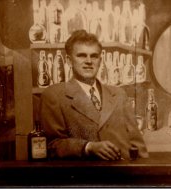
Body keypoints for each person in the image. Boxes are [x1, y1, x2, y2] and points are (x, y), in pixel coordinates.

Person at [40, 30, 148, 160]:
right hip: (86, 176)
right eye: (81, 55)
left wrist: (144, 173)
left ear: (100, 60)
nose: (89, 61)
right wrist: (88, 147)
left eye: (94, 56)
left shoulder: (119, 94)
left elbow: (137, 143)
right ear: (69, 61)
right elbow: (51, 145)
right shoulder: (54, 95)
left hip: (123, 174)